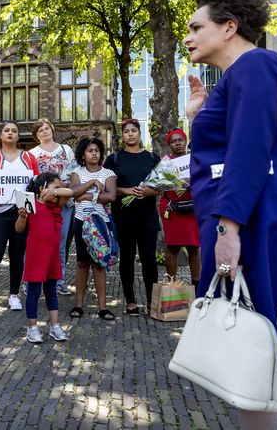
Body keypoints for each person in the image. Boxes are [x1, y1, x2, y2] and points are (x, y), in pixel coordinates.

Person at [185, 0, 277, 429]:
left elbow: (250, 150)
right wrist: (198, 117)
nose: (189, 37)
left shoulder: (255, 65)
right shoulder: (241, 75)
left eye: (197, 27)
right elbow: (228, 147)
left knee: (252, 338)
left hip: (252, 215)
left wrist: (228, 228)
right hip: (246, 212)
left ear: (229, 27)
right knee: (249, 338)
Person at [0, 122, 40, 310]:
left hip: (21, 213)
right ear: (1, 135)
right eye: (7, 130)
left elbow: (37, 182)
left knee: (17, 255)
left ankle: (14, 294)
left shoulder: (29, 158)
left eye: (14, 131)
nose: (10, 133)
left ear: (18, 136)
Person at [103, 120, 160, 316]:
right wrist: (126, 190)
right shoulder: (114, 159)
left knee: (149, 259)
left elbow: (161, 187)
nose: (130, 134)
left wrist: (148, 192)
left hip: (148, 217)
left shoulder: (152, 158)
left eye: (134, 130)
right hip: (124, 217)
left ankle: (152, 302)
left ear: (139, 133)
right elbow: (107, 188)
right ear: (123, 135)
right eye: (126, 131)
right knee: (127, 259)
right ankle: (130, 301)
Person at [15, 172, 72, 343]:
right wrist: (22, 217)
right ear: (42, 188)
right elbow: (19, 229)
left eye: (59, 187)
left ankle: (55, 325)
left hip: (52, 256)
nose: (59, 190)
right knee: (33, 292)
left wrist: (55, 191)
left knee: (51, 291)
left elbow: (70, 192)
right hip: (36, 255)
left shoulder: (56, 203)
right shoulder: (30, 204)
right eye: (55, 186)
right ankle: (32, 327)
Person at [68, 137, 117, 320]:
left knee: (99, 264)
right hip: (81, 222)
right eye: (90, 151)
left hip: (101, 223)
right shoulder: (77, 172)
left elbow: (110, 196)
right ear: (83, 154)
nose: (94, 154)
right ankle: (78, 305)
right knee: (82, 263)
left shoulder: (108, 173)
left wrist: (86, 196)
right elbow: (73, 192)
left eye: (97, 150)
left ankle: (102, 307)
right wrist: (91, 183)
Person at [29, 118, 75, 296]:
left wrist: (64, 192)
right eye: (40, 130)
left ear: (52, 129)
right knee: (36, 242)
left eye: (47, 128)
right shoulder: (32, 153)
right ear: (36, 135)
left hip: (63, 202)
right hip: (42, 205)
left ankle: (59, 281)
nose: (44, 131)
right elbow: (32, 180)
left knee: (61, 243)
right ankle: (32, 280)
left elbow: (74, 174)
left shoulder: (66, 149)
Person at [158, 128, 200, 289]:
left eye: (180, 140)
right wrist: (174, 183)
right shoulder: (164, 163)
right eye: (173, 141)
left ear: (185, 141)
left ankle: (197, 287)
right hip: (172, 209)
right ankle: (171, 287)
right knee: (172, 247)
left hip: (192, 208)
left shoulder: (194, 159)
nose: (177, 143)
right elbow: (159, 184)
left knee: (194, 247)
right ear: (169, 145)